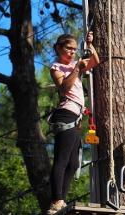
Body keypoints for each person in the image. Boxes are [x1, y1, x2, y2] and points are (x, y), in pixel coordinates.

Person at [47, 32, 99, 215]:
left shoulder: (74, 65)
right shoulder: (57, 67)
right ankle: (56, 200)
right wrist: (77, 67)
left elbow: (95, 61)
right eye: (68, 48)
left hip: (75, 118)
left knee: (73, 164)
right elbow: (64, 88)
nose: (72, 52)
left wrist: (90, 44)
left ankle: (61, 198)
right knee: (61, 159)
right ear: (59, 48)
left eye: (74, 49)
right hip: (66, 114)